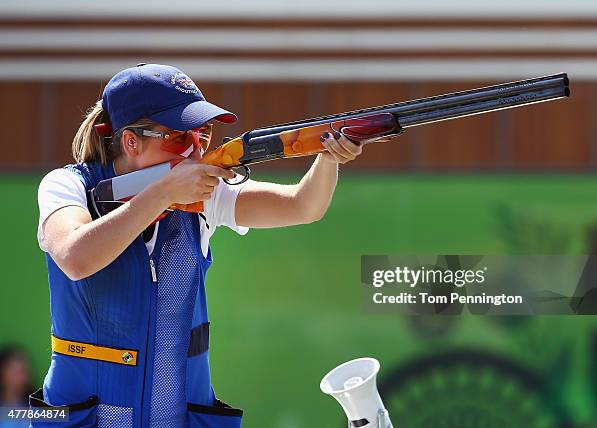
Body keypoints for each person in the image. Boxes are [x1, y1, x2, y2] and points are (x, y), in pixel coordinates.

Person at [33, 63, 363, 428]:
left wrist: (328, 157)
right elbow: (75, 258)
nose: (195, 150)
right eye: (178, 137)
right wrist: (162, 194)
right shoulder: (67, 185)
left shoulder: (203, 193)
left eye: (202, 135)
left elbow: (303, 206)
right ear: (131, 141)